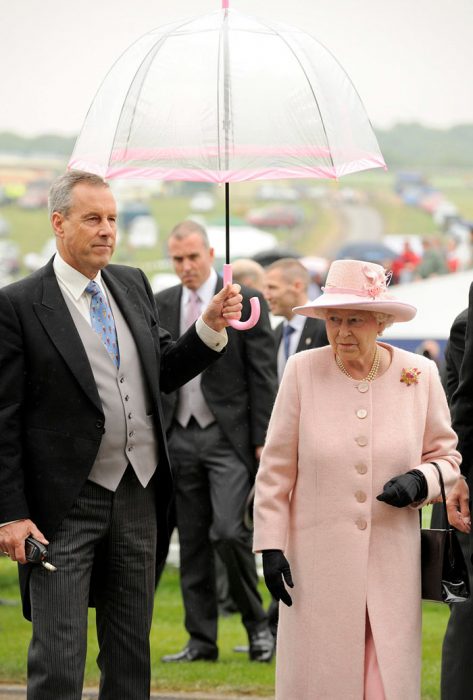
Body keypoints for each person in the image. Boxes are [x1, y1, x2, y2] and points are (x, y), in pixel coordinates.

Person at [0, 171, 243, 700]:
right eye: (93, 218)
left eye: (112, 218)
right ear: (58, 223)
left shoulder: (132, 283)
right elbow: (4, 420)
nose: (108, 229)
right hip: (60, 507)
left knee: (131, 654)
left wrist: (210, 328)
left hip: (140, 495)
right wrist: (12, 513)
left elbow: (162, 371)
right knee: (60, 657)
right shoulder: (17, 304)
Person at [252, 258, 461, 699]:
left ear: (380, 321)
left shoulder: (418, 374)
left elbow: (447, 459)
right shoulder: (302, 370)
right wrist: (270, 547)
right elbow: (275, 471)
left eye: (354, 320)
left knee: (383, 682)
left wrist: (421, 481)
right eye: (334, 320)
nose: (342, 332)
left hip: (392, 562)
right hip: (316, 562)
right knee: (321, 679)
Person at [155, 220, 277, 663]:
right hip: (178, 437)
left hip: (228, 438)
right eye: (177, 259)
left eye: (192, 257)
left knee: (229, 532)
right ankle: (201, 641)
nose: (186, 266)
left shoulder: (244, 301)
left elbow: (263, 374)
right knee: (192, 543)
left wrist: (264, 441)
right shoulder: (161, 302)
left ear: (210, 254)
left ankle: (258, 626)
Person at [438, 301, 473, 700]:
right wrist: (457, 476)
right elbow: (463, 406)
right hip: (466, 489)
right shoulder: (465, 326)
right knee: (469, 610)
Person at [263, 258, 328, 383]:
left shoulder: (324, 327)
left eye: (272, 287)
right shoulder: (279, 330)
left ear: (297, 286)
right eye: (265, 288)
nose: (266, 295)